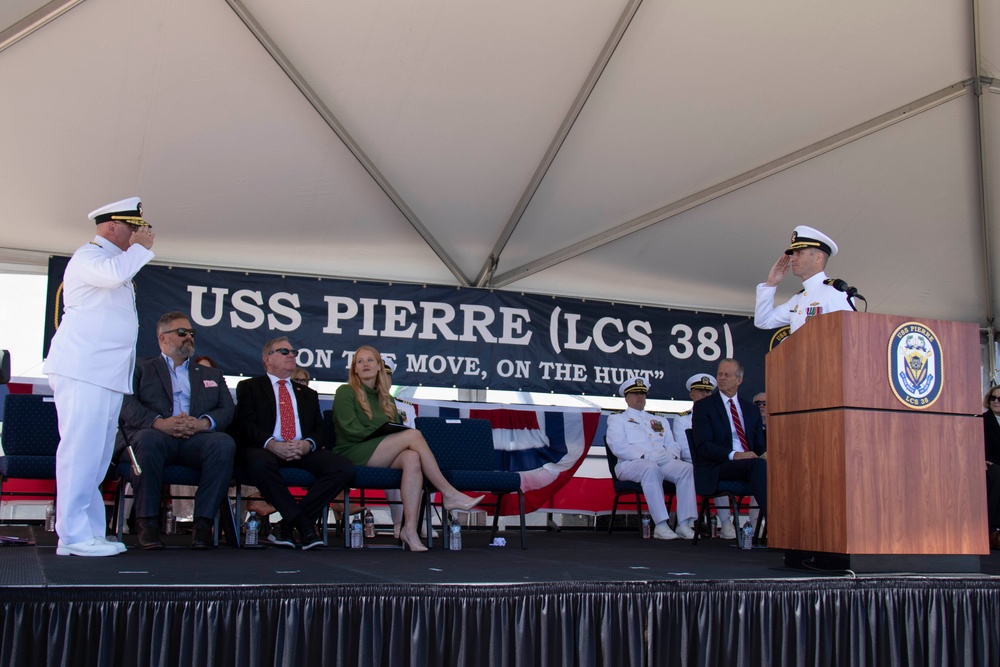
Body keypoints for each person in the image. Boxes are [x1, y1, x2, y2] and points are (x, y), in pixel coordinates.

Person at [43, 197, 155, 557]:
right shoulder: (90, 258)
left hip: (105, 375)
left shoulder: (112, 262)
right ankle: (72, 536)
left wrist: (134, 250)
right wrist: (139, 250)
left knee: (96, 457)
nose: (137, 234)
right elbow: (115, 274)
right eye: (132, 228)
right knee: (80, 452)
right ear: (111, 227)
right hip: (83, 370)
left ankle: (88, 531)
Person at [332, 345, 483, 552]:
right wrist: (384, 433)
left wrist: (389, 435)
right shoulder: (345, 391)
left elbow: (394, 430)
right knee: (413, 435)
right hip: (352, 451)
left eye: (370, 360)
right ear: (355, 370)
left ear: (378, 367)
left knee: (412, 457)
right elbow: (349, 429)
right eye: (360, 361)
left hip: (379, 451)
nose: (365, 364)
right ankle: (448, 493)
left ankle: (409, 529)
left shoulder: (387, 399)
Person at [116, 312, 236, 549]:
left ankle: (202, 526)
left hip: (195, 439)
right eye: (182, 333)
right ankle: (147, 524)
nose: (189, 337)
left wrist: (202, 423)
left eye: (191, 333)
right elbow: (126, 404)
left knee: (223, 443)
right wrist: (160, 422)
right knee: (147, 441)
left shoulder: (211, 374)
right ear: (163, 338)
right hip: (156, 435)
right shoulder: (140, 367)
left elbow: (227, 409)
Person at [230, 336, 355, 550]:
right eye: (284, 351)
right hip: (266, 449)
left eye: (293, 353)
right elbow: (244, 425)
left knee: (343, 468)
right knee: (258, 462)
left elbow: (320, 431)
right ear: (267, 359)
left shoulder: (307, 393)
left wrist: (307, 444)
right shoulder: (250, 387)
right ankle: (303, 525)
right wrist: (271, 444)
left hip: (301, 449)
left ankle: (287, 525)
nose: (291, 356)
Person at [605, 377, 697, 540]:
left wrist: (671, 454)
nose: (640, 397)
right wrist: (644, 455)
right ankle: (661, 524)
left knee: (686, 469)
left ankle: (684, 523)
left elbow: (673, 444)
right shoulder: (617, 419)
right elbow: (617, 446)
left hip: (661, 461)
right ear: (626, 398)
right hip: (630, 464)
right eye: (635, 393)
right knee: (650, 468)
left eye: (642, 393)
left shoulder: (659, 419)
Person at [691, 359, 768, 525]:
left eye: (727, 375)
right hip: (719, 465)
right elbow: (704, 447)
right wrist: (736, 455)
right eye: (719, 374)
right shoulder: (704, 406)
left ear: (739, 380)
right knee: (758, 466)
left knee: (781, 467)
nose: (721, 378)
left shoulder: (750, 409)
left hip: (749, 464)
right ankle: (778, 526)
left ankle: (798, 526)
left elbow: (759, 447)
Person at [670, 373, 737, 539]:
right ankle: (686, 524)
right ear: (691, 394)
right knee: (709, 469)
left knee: (719, 470)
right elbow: (684, 450)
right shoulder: (683, 419)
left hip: (713, 462)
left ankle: (726, 523)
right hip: (692, 463)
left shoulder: (721, 419)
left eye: (708, 392)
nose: (705, 395)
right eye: (700, 391)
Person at [754, 225, 854, 334]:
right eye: (793, 254)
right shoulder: (798, 298)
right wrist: (771, 284)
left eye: (799, 253)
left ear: (818, 257)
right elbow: (763, 321)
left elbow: (845, 335)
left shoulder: (836, 291)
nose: (792, 258)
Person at [980, 386, 1000, 550]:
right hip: (991, 464)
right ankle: (992, 530)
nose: (996, 402)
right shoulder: (983, 420)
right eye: (993, 398)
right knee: (996, 474)